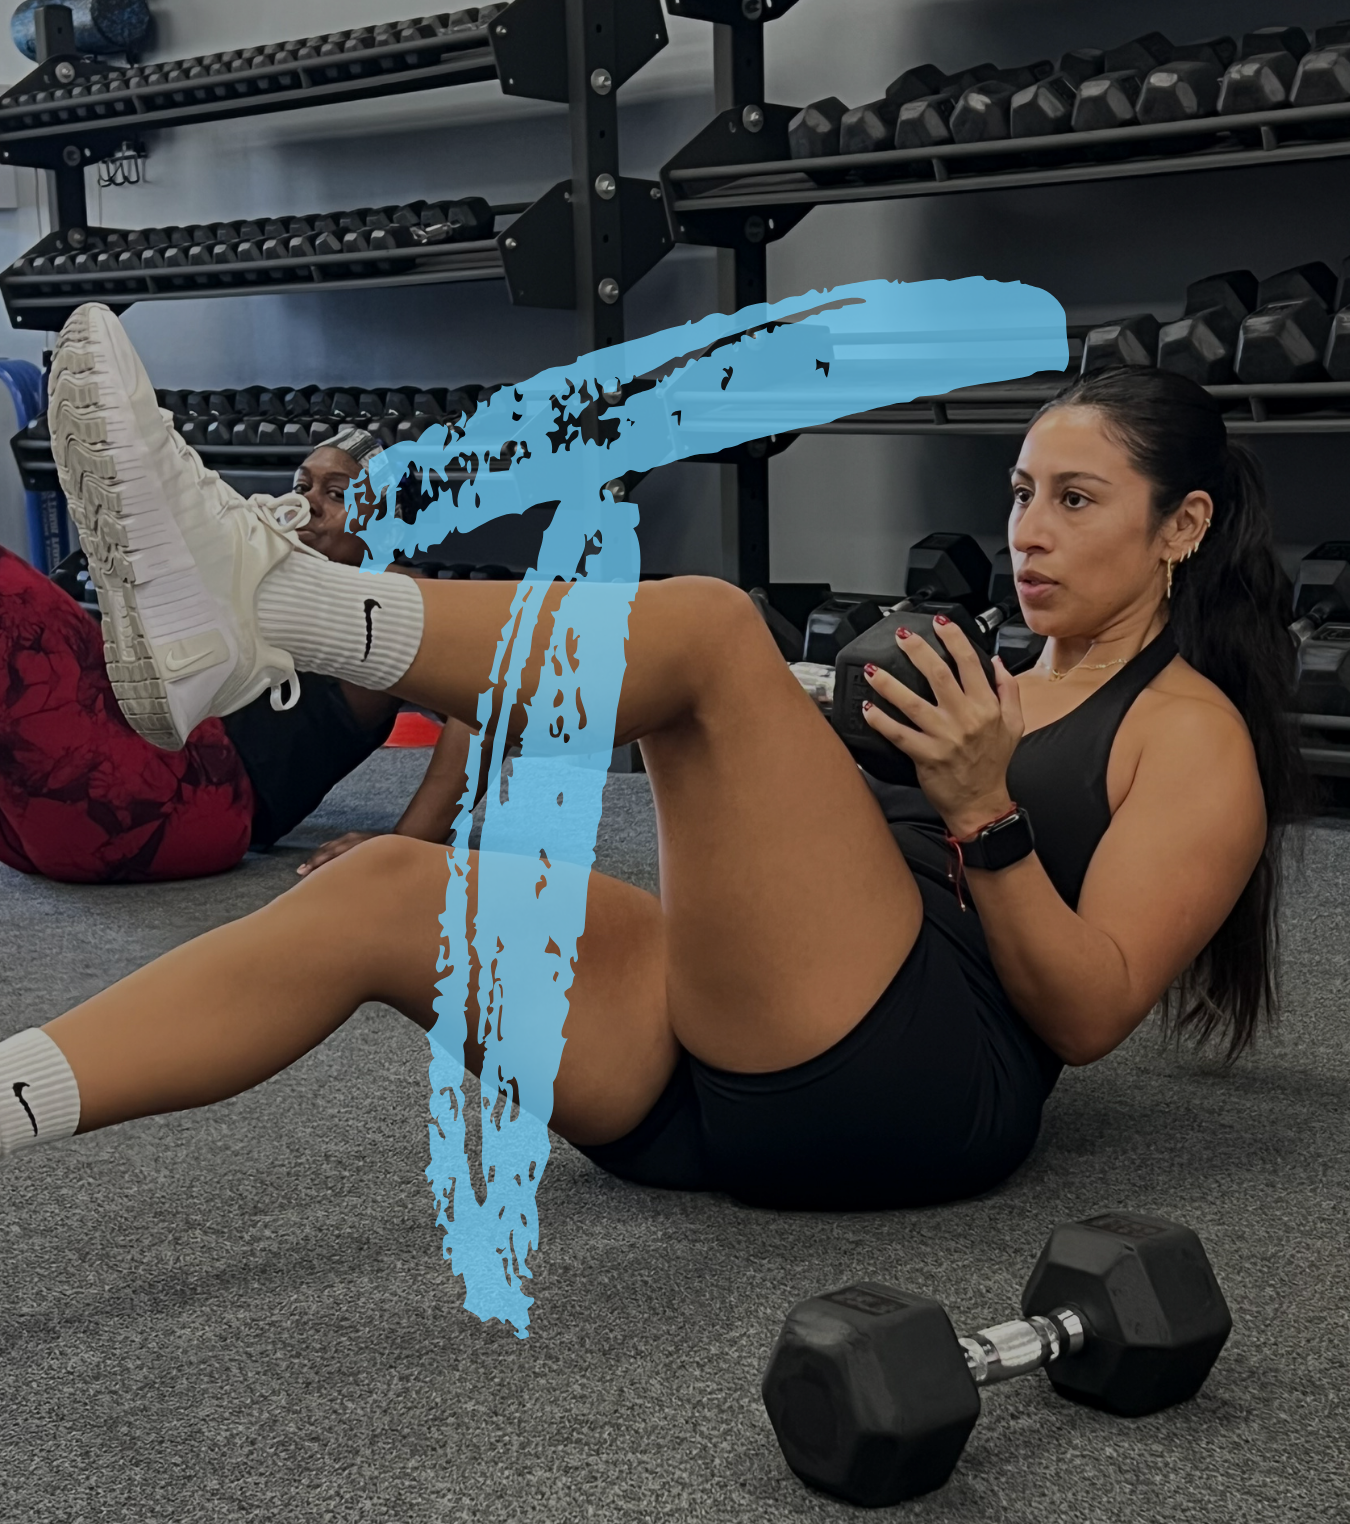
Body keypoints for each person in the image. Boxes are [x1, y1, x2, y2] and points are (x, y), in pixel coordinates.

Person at [0, 305, 1303, 1213]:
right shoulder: (1002, 678)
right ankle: (15, 1091)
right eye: (1020, 491)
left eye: (1075, 500)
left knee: (710, 630)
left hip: (918, 1075)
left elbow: (1086, 1014)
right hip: (734, 1045)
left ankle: (271, 607)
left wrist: (981, 813)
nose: (1028, 528)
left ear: (1179, 525)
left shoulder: (1191, 733)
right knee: (373, 897)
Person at [0, 424, 475, 883]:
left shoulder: (391, 594)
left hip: (187, 800)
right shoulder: (278, 580)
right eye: (303, 486)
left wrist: (412, 841)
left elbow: (488, 700)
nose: (307, 502)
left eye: (337, 494)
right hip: (84, 798)